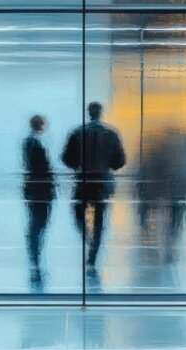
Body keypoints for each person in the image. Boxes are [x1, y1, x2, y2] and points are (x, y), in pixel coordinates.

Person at [61, 102, 126, 277]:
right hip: (102, 183)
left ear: (88, 113)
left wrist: (79, 165)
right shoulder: (111, 133)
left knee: (78, 214)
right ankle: (93, 256)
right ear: (100, 113)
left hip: (82, 182)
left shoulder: (77, 133)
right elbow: (120, 161)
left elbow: (66, 158)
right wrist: (106, 164)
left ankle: (86, 238)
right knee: (99, 220)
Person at [136, 126, 186, 264]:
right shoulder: (180, 154)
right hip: (172, 191)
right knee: (173, 221)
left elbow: (147, 171)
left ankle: (162, 243)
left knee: (167, 219)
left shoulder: (158, 152)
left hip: (163, 191)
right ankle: (168, 245)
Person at [22, 115, 55, 290]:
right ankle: (35, 254)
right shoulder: (34, 143)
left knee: (37, 222)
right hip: (40, 190)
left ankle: (35, 253)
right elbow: (41, 167)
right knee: (38, 223)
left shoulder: (30, 142)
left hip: (35, 189)